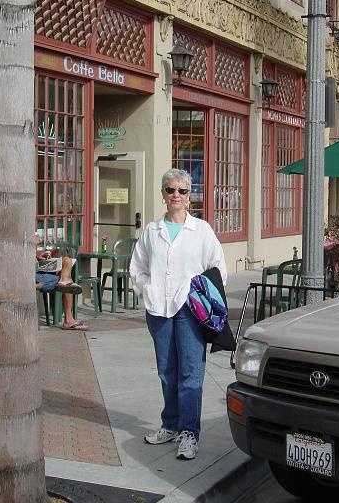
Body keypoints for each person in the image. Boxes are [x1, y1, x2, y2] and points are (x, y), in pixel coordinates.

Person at [130, 168, 227, 460]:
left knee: (190, 373)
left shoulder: (202, 231)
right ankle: (170, 425)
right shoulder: (151, 231)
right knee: (166, 371)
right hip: (158, 309)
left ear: (189, 196)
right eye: (170, 190)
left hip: (190, 311)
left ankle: (189, 433)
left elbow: (219, 269)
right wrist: (148, 288)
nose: (176, 195)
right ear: (163, 194)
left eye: (182, 191)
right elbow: (137, 268)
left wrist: (198, 292)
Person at [34, 234, 87, 331]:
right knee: (68, 282)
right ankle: (68, 320)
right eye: (35, 236)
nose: (37, 238)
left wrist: (38, 257)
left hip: (38, 273)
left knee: (66, 262)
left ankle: (64, 280)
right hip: (32, 277)